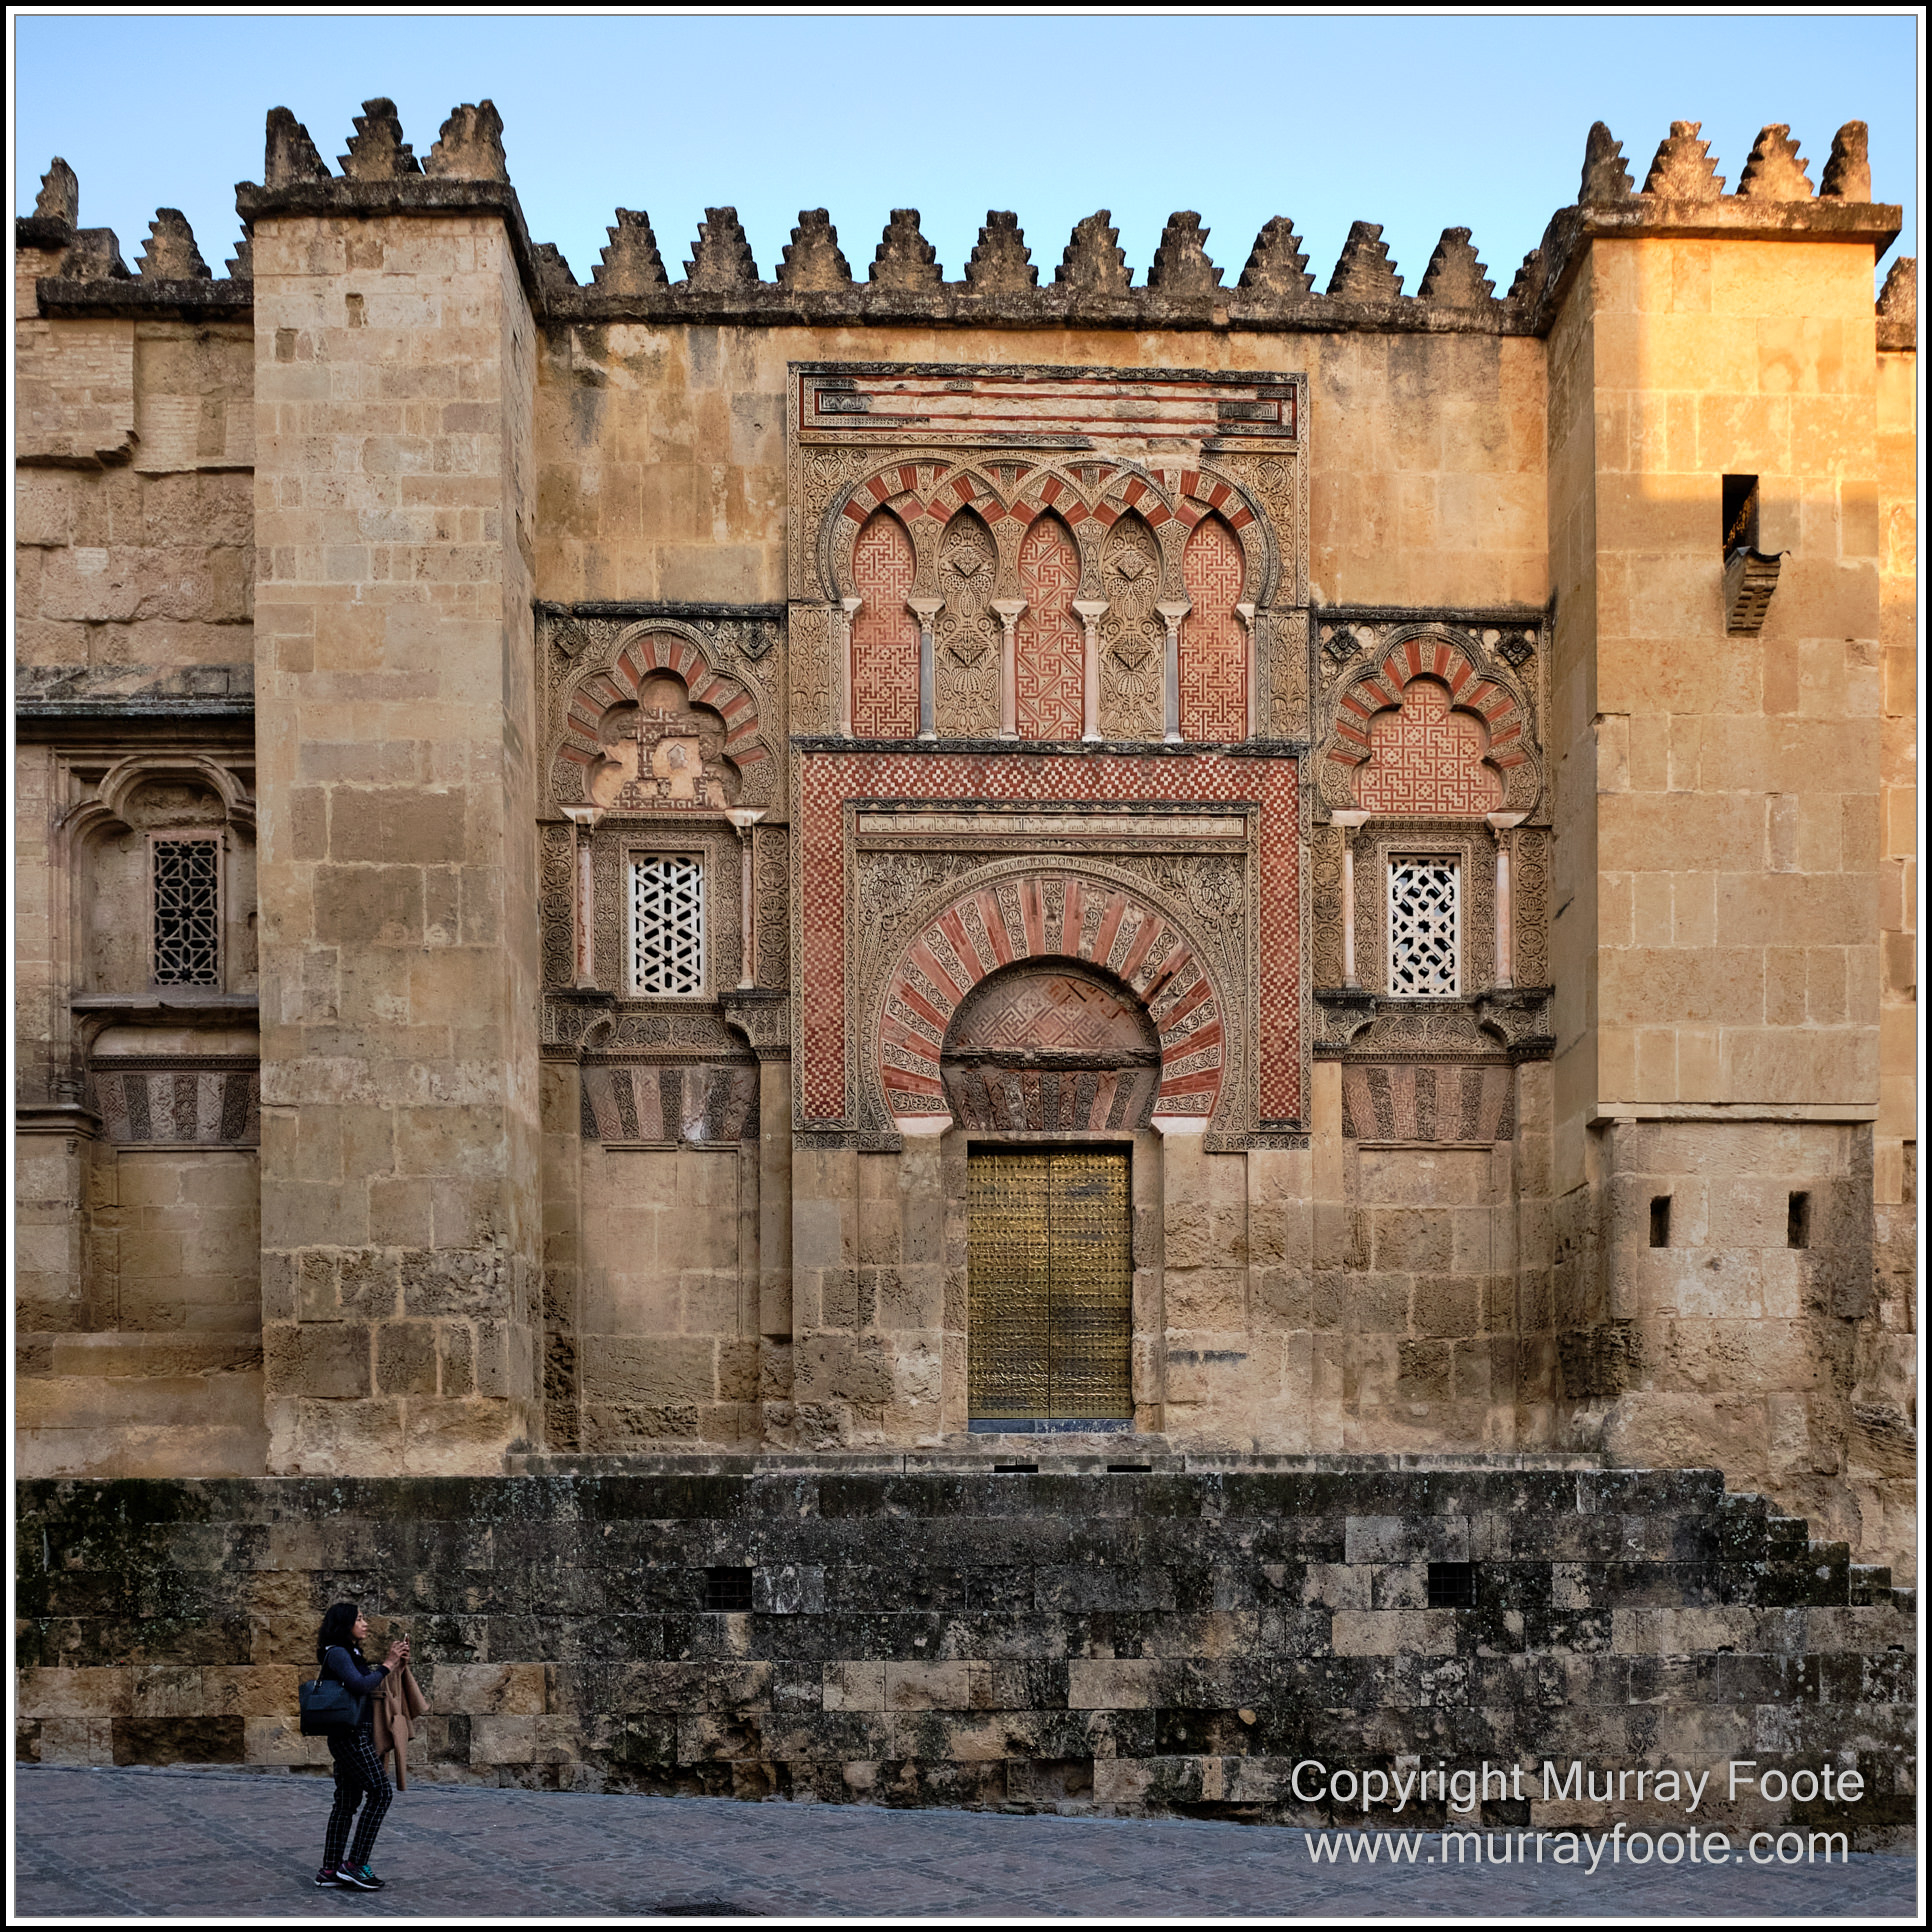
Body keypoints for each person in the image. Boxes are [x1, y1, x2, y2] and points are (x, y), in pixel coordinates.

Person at [312, 1602, 409, 1891]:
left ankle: (330, 1870)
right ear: (345, 1624)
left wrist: (393, 1665)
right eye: (360, 1619)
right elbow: (359, 1684)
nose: (365, 1623)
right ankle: (354, 1865)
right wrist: (388, 1663)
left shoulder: (349, 1652)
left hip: (352, 1735)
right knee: (381, 1793)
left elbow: (367, 1681)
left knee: (346, 1802)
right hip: (350, 1737)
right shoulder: (338, 1652)